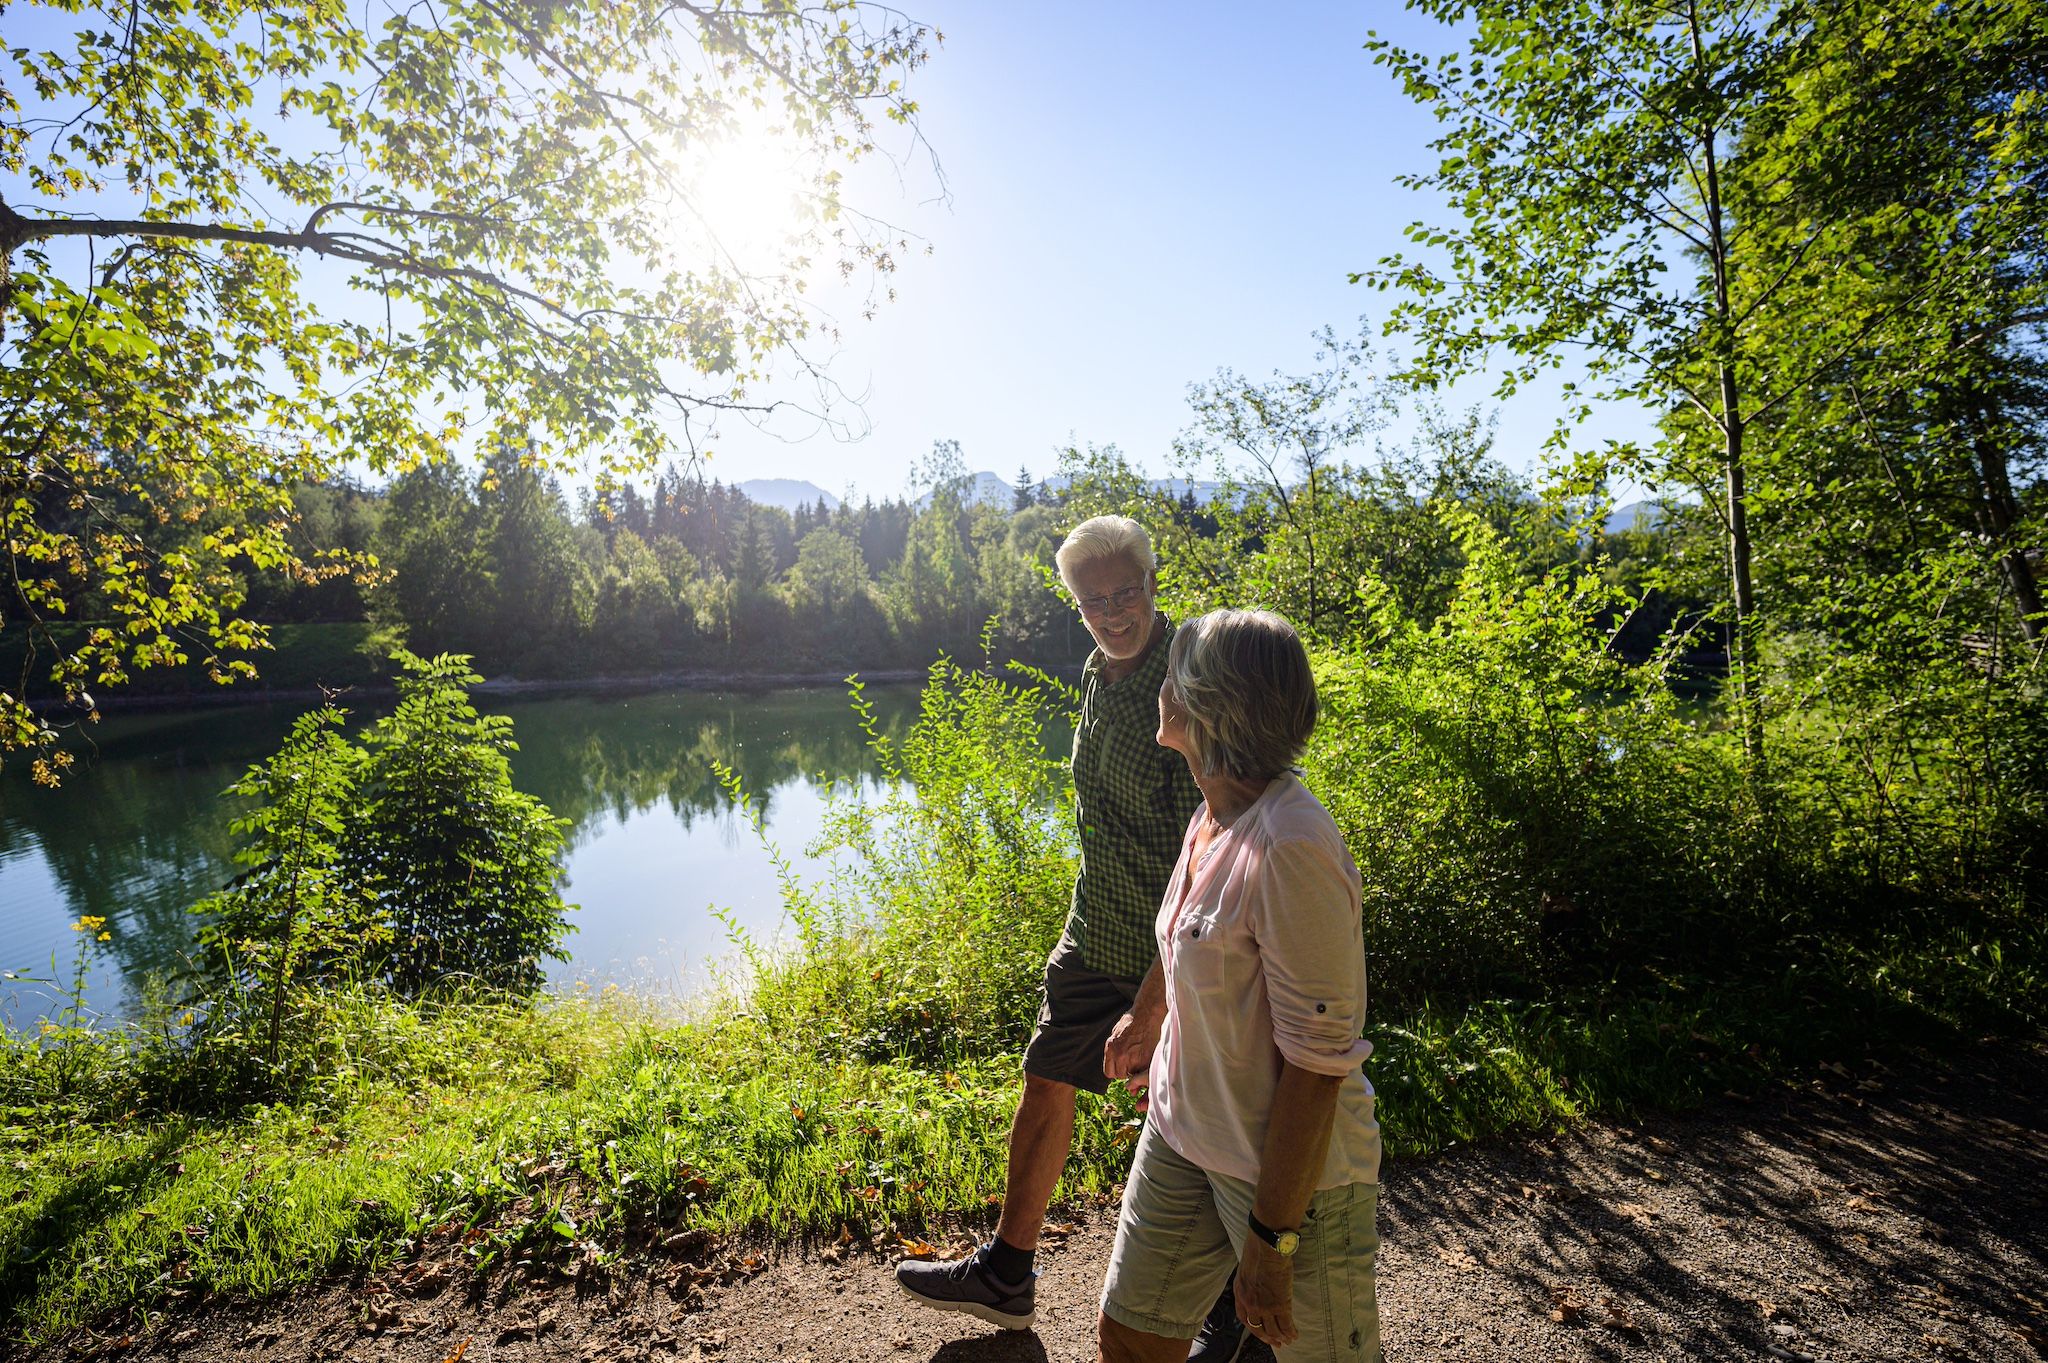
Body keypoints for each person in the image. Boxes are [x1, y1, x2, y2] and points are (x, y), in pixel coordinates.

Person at [898, 516, 1243, 1357]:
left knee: (1204, 1121)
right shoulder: (1097, 669)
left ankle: (1235, 1319)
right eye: (1095, 599)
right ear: (1077, 605)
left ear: (1153, 583)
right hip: (1097, 926)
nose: (1114, 610)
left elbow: (1209, 843)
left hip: (1177, 947)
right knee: (1046, 1075)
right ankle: (1008, 1272)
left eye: (1127, 591)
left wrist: (1159, 996)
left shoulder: (1188, 677)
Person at [1096, 609, 1382, 1363]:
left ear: (1206, 704)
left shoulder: (1292, 846)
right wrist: (1147, 1016)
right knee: (1131, 1339)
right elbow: (1188, 929)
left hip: (1291, 1181)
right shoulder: (1215, 811)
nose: (1159, 682)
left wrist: (1271, 1241)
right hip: (1181, 1130)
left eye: (1173, 670)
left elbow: (1319, 1068)